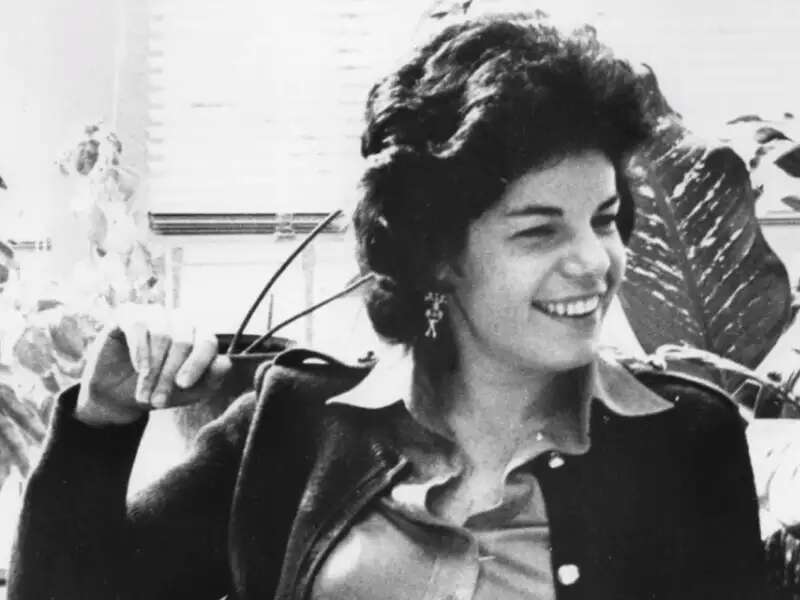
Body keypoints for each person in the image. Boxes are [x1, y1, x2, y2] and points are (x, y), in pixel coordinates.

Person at [8, 12, 769, 600]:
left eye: (603, 220)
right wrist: (101, 422)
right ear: (435, 253)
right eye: (539, 231)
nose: (596, 262)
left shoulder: (686, 441)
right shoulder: (289, 424)